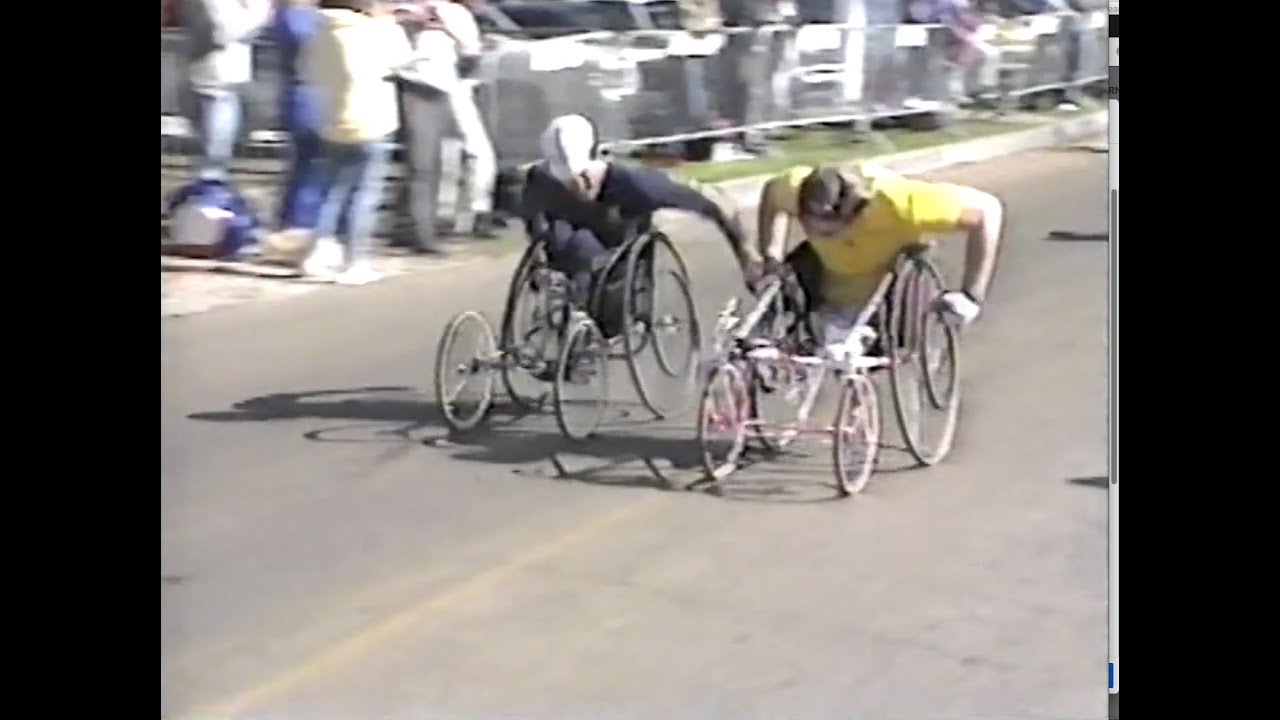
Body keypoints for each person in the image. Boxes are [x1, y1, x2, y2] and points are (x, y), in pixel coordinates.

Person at [521, 114, 749, 345]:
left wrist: (745, 256)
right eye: (567, 179)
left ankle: (595, 316)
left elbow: (714, 204)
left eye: (580, 177)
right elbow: (535, 221)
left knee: (595, 265)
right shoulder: (540, 181)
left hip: (618, 252)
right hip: (572, 246)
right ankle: (572, 308)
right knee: (574, 243)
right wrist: (539, 261)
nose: (575, 185)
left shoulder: (638, 185)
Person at [749, 163, 1004, 360]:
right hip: (826, 273)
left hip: (888, 277)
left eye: (830, 230)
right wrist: (771, 255)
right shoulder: (794, 188)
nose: (818, 233)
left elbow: (988, 209)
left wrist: (972, 294)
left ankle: (867, 333)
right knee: (780, 284)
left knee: (901, 342)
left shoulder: (904, 203)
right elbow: (772, 195)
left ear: (857, 214)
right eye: (809, 225)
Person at [302, 0, 415, 284]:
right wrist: (390, 22)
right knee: (364, 194)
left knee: (331, 190)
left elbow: (307, 70)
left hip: (331, 117)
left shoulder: (319, 28)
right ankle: (355, 262)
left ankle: (317, 251)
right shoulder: (376, 30)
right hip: (371, 120)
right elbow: (402, 60)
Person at [395, 0, 500, 246]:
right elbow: (470, 54)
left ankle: (436, 216)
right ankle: (474, 212)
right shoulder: (453, 12)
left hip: (417, 86)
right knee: (473, 151)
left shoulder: (415, 10)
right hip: (445, 85)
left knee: (434, 157)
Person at [180, 0, 273, 180]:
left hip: (229, 81)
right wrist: (260, 13)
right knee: (214, 160)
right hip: (215, 84)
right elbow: (223, 32)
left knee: (222, 155)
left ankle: (210, 195)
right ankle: (207, 200)